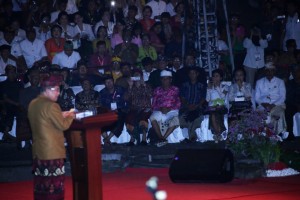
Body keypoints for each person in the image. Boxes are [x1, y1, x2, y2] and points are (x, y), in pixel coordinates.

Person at [28, 74, 75, 200]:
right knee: (54, 187)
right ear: (48, 89)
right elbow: (63, 125)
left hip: (39, 152)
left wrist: (61, 114)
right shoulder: (52, 105)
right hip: (52, 153)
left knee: (41, 186)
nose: (58, 93)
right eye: (57, 89)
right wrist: (71, 115)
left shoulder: (33, 103)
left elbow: (44, 118)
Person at [149, 70, 181, 144]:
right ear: (161, 80)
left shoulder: (175, 89)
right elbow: (154, 103)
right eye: (163, 79)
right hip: (159, 111)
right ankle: (161, 138)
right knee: (152, 118)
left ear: (170, 80)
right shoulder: (157, 90)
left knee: (176, 120)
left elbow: (178, 103)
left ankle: (163, 138)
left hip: (172, 110)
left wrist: (169, 109)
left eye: (167, 79)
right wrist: (160, 109)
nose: (165, 81)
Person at [255, 62, 287, 135]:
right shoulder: (259, 82)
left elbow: (283, 97)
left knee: (278, 115)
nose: (269, 72)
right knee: (261, 115)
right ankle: (263, 136)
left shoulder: (280, 82)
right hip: (263, 105)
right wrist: (263, 104)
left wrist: (273, 104)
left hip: (277, 105)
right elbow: (257, 98)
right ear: (265, 71)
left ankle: (277, 135)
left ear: (274, 71)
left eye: (271, 70)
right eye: (267, 70)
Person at [125, 70, 152, 145]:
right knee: (129, 117)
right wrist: (130, 86)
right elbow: (126, 98)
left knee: (143, 117)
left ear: (141, 76)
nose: (137, 77)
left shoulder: (146, 85)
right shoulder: (131, 87)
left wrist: (144, 85)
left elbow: (150, 95)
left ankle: (144, 138)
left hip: (145, 108)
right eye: (135, 76)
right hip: (134, 108)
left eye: (138, 75)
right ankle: (132, 137)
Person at [179, 67, 206, 142]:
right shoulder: (184, 85)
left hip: (198, 107)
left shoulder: (202, 85)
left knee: (196, 118)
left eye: (193, 73)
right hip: (186, 107)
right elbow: (182, 97)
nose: (192, 75)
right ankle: (192, 136)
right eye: (190, 73)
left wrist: (196, 105)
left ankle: (191, 137)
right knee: (182, 118)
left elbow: (203, 98)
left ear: (197, 74)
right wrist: (188, 105)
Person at [99, 75, 128, 145]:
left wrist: (118, 108)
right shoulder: (102, 92)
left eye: (110, 81)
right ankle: (107, 140)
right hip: (107, 111)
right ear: (104, 84)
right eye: (107, 82)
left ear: (113, 81)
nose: (109, 83)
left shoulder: (121, 89)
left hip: (119, 110)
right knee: (99, 119)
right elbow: (101, 105)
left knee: (121, 117)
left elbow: (125, 101)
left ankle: (107, 139)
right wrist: (109, 110)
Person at [205, 69, 229, 142]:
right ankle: (219, 134)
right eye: (213, 76)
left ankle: (217, 134)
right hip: (212, 107)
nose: (215, 78)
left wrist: (216, 88)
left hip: (222, 106)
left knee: (215, 114)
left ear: (221, 78)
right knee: (213, 114)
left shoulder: (225, 87)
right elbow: (207, 99)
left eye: (217, 76)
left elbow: (222, 98)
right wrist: (209, 89)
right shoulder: (209, 87)